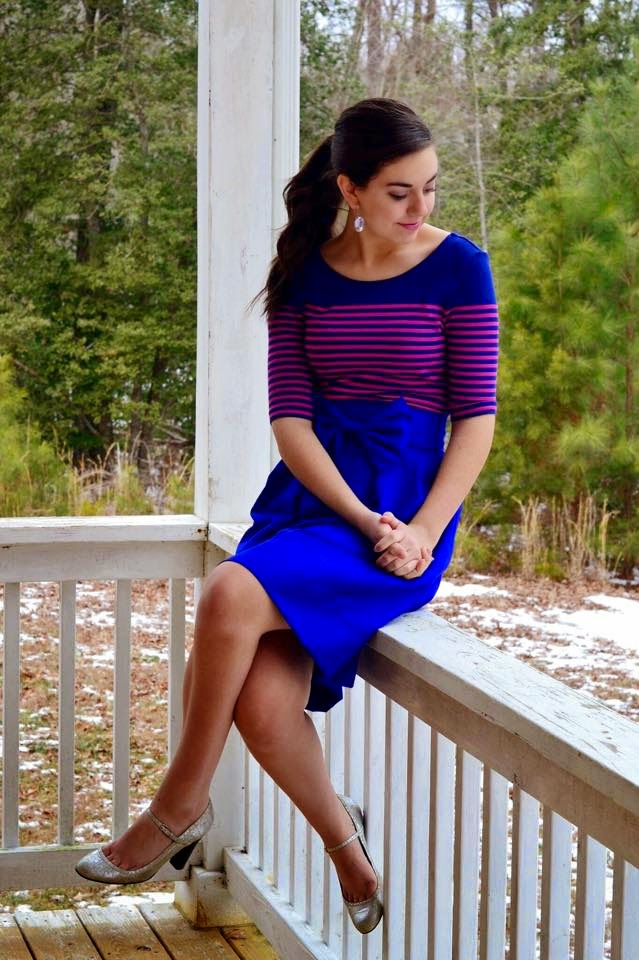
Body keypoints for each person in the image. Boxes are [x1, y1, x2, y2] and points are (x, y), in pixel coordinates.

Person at [75, 97, 499, 936]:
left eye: (430, 188)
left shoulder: (460, 267)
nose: (419, 208)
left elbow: (475, 419)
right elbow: (292, 423)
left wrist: (416, 529)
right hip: (316, 500)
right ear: (350, 188)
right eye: (399, 192)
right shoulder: (303, 273)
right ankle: (348, 848)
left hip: (409, 508)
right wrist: (357, 516)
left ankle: (176, 808)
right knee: (266, 708)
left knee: (228, 595)